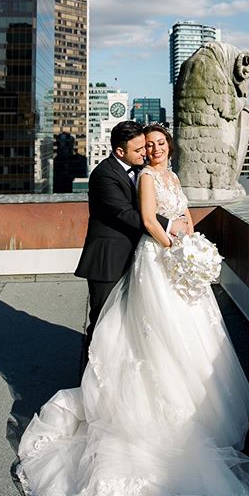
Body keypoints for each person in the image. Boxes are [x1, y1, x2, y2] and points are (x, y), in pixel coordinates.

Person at [16, 123, 249, 496]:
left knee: (169, 332)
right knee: (113, 331)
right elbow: (134, 217)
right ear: (127, 149)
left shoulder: (166, 176)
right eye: (142, 146)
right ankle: (99, 394)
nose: (148, 150)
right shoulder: (122, 176)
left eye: (154, 144)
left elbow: (185, 215)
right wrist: (173, 242)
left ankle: (175, 399)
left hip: (163, 255)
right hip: (135, 257)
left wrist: (190, 242)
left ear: (167, 146)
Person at [75, 120, 188, 361]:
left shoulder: (140, 169)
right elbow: (125, 213)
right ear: (120, 152)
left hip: (137, 255)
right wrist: (169, 227)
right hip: (109, 259)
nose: (145, 153)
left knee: (129, 323)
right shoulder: (104, 175)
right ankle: (90, 377)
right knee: (102, 322)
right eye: (139, 150)